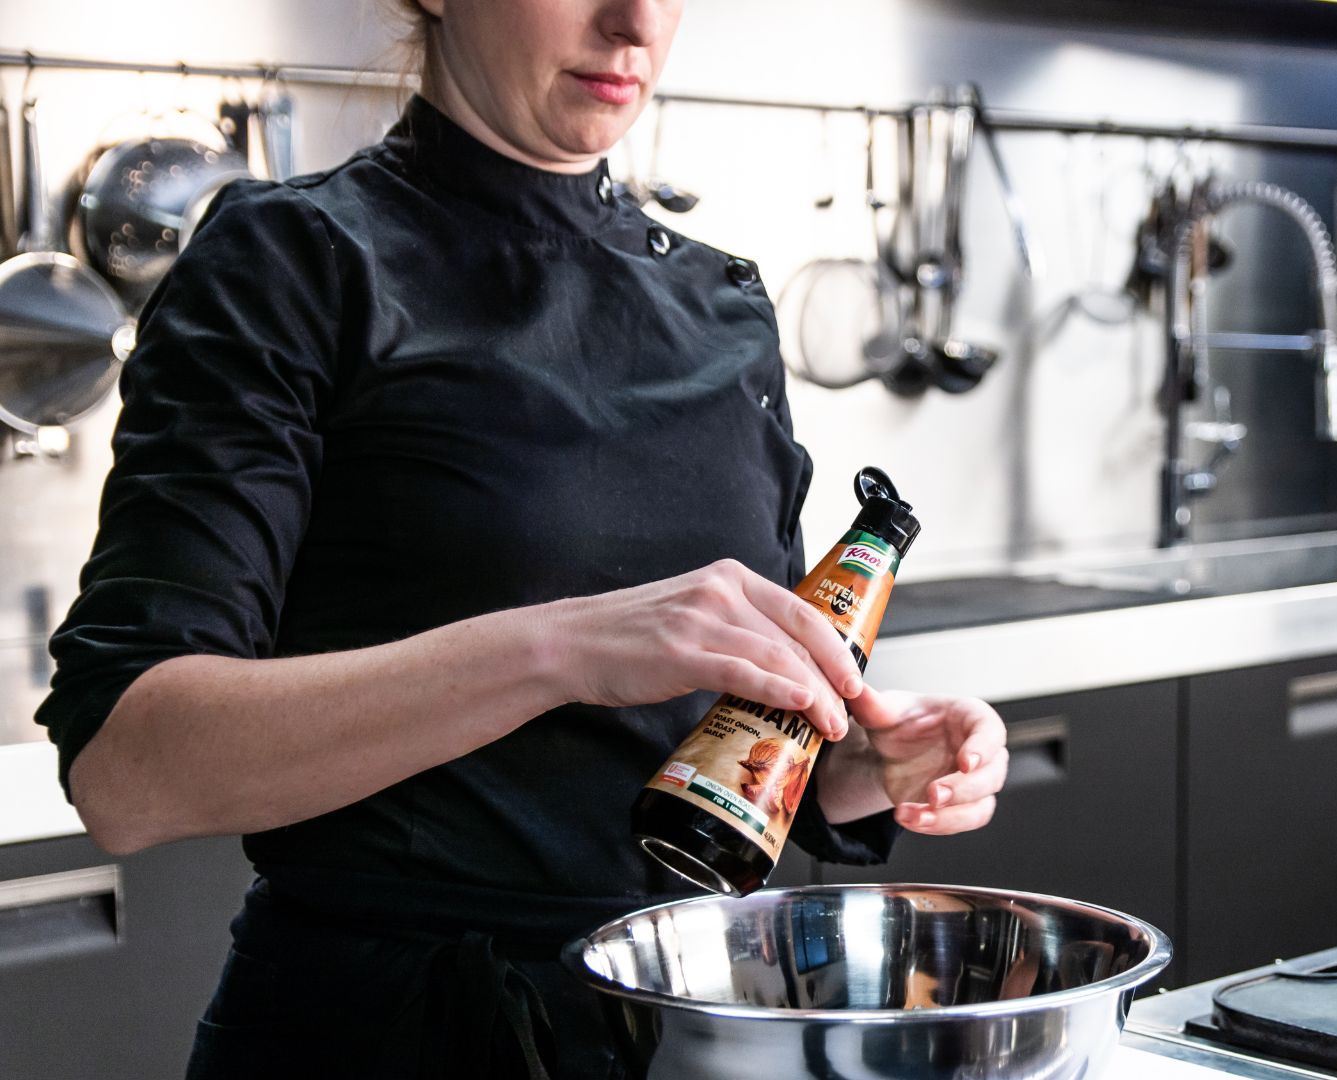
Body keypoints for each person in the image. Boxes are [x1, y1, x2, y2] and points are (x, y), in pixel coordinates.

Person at [34, 1, 1009, 1075]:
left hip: (694, 1026)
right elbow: (128, 773)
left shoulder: (721, 303)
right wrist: (561, 651)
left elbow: (719, 743)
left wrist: (860, 759)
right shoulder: (294, 260)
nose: (634, 23)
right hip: (389, 1033)